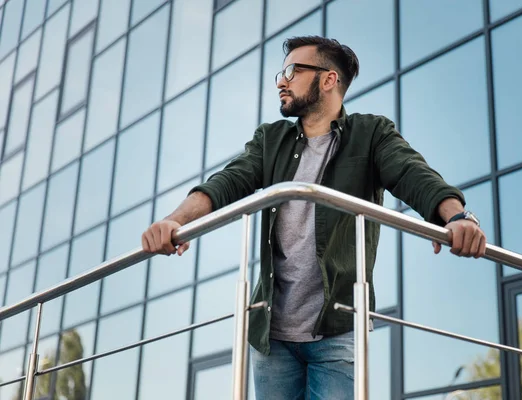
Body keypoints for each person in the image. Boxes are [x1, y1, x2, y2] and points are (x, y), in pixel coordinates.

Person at [141, 36, 487, 399]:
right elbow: (229, 180)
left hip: (337, 329)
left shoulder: (370, 134)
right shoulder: (270, 139)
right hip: (271, 334)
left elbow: (412, 174)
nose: (280, 81)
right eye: (281, 72)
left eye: (292, 71)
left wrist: (456, 217)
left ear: (328, 80)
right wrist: (176, 220)